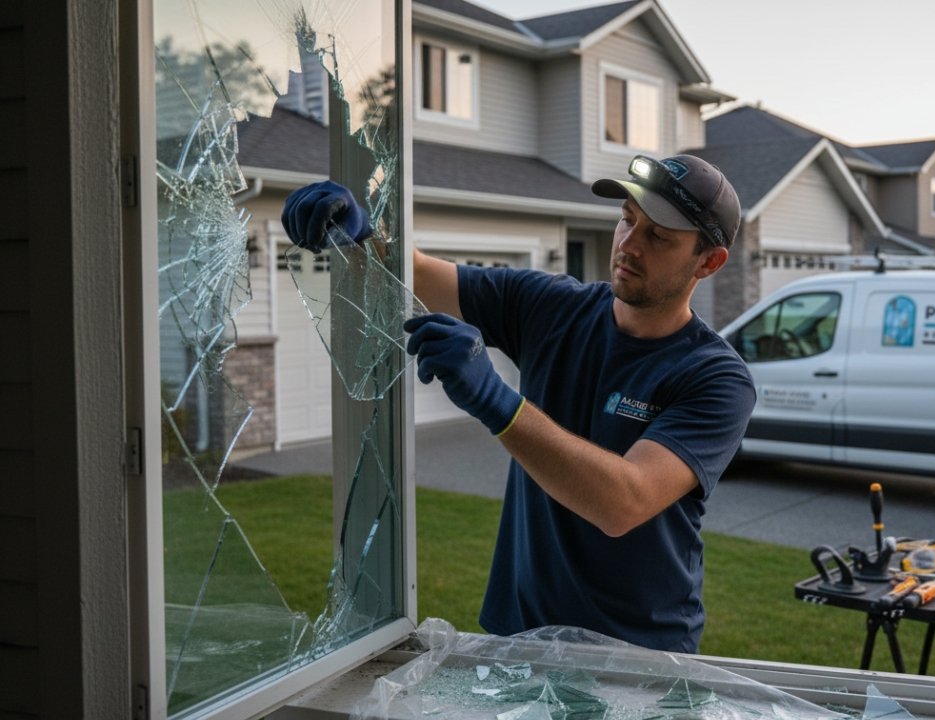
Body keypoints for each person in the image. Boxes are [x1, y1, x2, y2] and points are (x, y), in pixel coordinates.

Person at [281, 155, 755, 652]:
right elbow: (415, 274)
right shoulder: (551, 306)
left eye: (659, 237)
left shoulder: (716, 377)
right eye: (627, 219)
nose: (630, 244)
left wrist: (497, 403)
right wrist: (355, 232)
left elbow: (625, 501)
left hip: (641, 653)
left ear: (709, 261)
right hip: (519, 638)